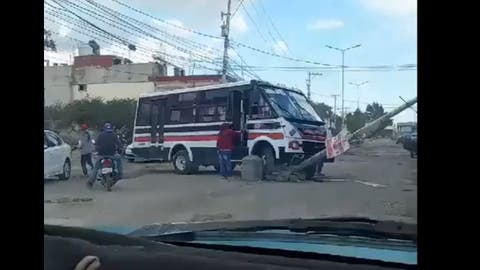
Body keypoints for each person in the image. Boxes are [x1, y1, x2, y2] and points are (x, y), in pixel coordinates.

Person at [88, 123, 123, 187]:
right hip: (112, 154)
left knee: (96, 167)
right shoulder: (114, 135)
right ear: (111, 128)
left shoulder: (100, 135)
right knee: (119, 160)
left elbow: (96, 144)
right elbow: (119, 144)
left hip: (101, 155)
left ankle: (91, 181)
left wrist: (96, 150)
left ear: (104, 128)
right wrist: (120, 150)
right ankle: (120, 174)